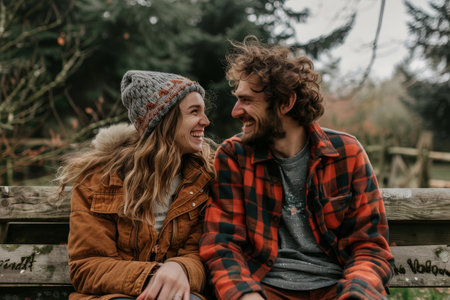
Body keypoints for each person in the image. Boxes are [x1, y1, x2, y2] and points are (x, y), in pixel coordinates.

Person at [199, 36, 394, 300]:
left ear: (285, 103)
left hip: (337, 290)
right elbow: (222, 243)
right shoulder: (234, 156)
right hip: (264, 289)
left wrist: (356, 294)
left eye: (246, 100)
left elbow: (370, 247)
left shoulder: (346, 153)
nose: (236, 111)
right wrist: (244, 295)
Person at [57, 70, 215, 300]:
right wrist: (154, 276)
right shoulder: (99, 179)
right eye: (194, 112)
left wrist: (181, 268)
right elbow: (86, 267)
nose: (206, 121)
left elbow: (202, 257)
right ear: (165, 120)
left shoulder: (203, 179)